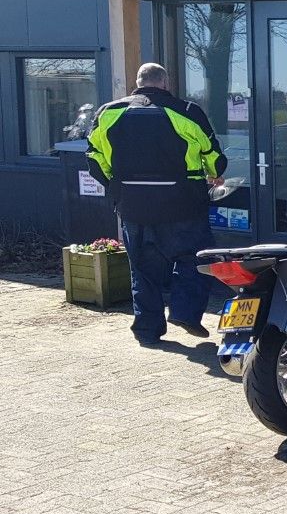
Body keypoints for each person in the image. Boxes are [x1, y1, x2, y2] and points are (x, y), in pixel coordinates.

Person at [86, 63, 225, 347]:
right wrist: (215, 172)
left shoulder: (108, 113)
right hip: (183, 205)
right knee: (196, 258)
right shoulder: (186, 111)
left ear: (138, 83)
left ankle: (147, 331)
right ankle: (185, 313)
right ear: (165, 83)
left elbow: (94, 158)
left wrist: (116, 187)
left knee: (142, 270)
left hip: (134, 207)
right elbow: (212, 155)